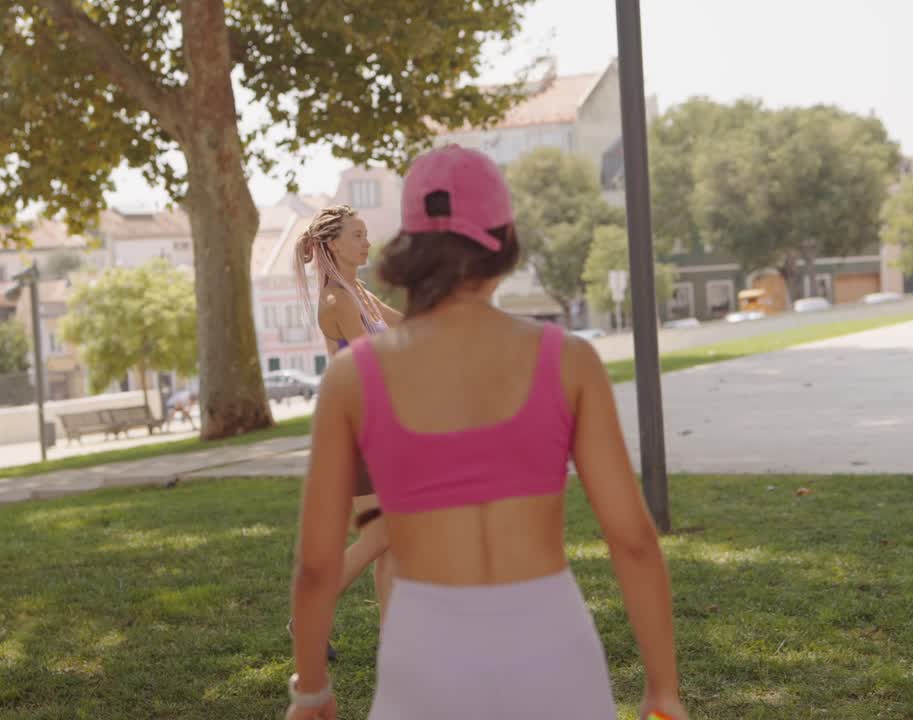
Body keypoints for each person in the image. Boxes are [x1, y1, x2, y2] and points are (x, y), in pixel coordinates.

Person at [286, 145, 689, 720]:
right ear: (504, 239)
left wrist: (312, 687)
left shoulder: (353, 377)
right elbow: (633, 541)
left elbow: (318, 563)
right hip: (554, 656)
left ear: (411, 247)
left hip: (423, 665)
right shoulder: (569, 361)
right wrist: (662, 690)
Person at [289, 204, 404, 661]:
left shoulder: (359, 293)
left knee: (389, 537)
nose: (367, 241)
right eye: (358, 234)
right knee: (380, 537)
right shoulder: (337, 301)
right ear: (334, 244)